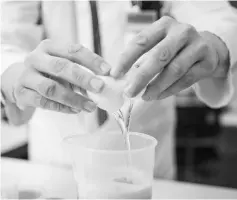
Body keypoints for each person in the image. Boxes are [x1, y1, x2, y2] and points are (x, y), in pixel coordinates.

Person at [1, 1, 237, 181]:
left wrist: (213, 46)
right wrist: (15, 73)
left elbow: (216, 16)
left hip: (150, 171)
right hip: (57, 168)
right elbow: (6, 34)